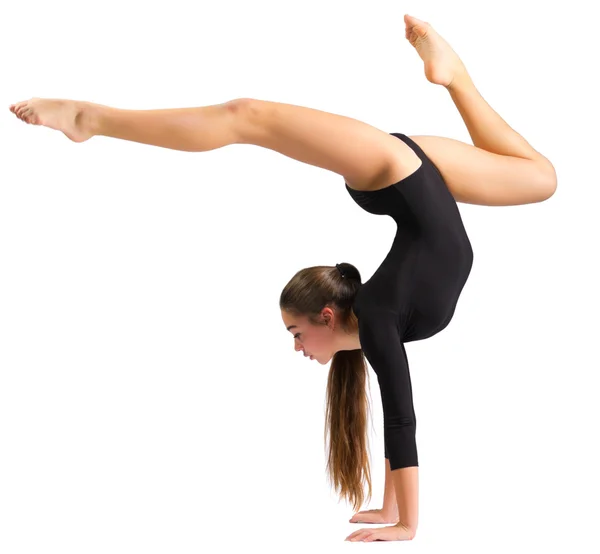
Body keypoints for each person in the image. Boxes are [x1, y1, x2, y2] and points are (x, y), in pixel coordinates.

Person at [9, 14, 556, 543]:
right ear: (327, 315)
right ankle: (90, 118)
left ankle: (453, 74)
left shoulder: (378, 322)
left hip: (411, 178)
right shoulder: (381, 320)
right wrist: (405, 523)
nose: (297, 348)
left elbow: (394, 420)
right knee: (248, 114)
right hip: (400, 171)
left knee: (539, 178)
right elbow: (401, 419)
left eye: (292, 335)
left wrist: (394, 508)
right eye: (296, 334)